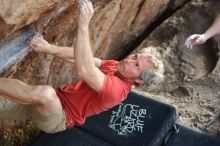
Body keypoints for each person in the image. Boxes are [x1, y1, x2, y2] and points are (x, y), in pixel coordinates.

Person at [0, 0, 164, 133]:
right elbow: (79, 57)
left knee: (45, 94)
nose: (129, 60)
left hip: (59, 117)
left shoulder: (117, 91)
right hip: (51, 103)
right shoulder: (116, 67)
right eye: (134, 56)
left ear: (140, 80)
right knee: (20, 92)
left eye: (136, 65)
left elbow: (85, 69)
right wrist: (48, 48)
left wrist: (83, 24)